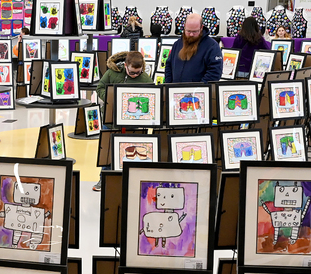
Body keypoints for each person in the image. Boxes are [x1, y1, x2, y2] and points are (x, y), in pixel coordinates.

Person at [92, 51, 150, 192]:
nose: (135, 75)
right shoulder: (113, 73)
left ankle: (133, 179)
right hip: (111, 120)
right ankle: (103, 178)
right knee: (107, 149)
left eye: (138, 72)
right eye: (132, 72)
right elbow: (100, 88)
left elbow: (150, 100)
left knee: (134, 150)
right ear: (125, 65)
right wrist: (112, 98)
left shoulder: (146, 79)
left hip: (135, 123)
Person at [163, 13, 223, 84]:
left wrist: (199, 89)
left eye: (195, 31)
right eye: (188, 31)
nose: (191, 34)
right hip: (175, 91)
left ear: (201, 28)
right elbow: (169, 65)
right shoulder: (177, 44)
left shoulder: (212, 46)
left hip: (199, 92)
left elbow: (214, 72)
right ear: (184, 26)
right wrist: (168, 85)